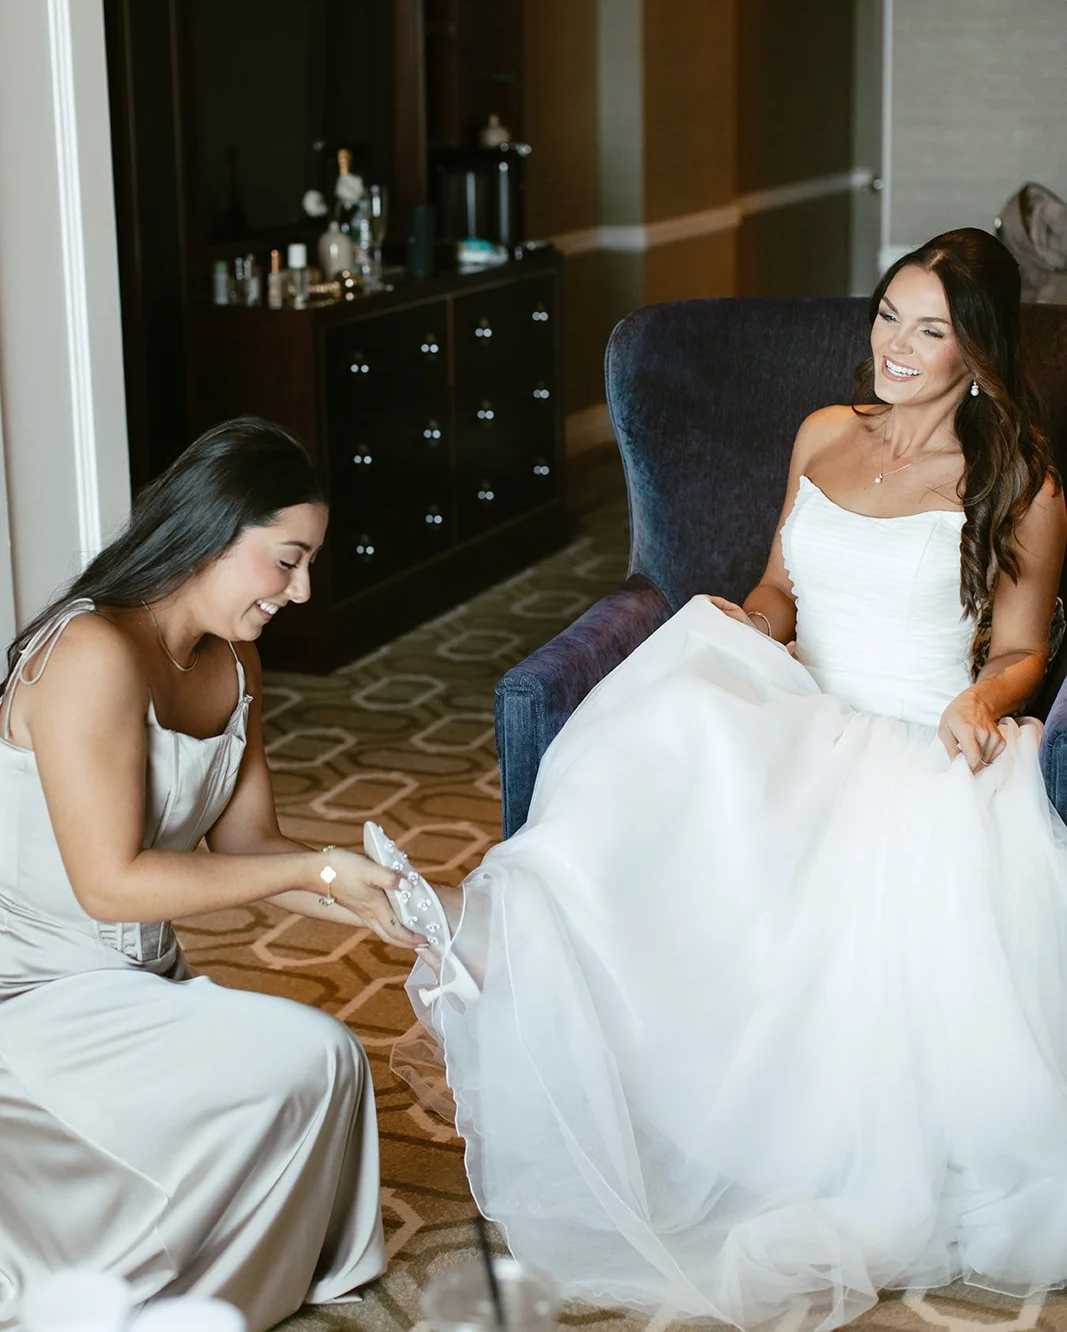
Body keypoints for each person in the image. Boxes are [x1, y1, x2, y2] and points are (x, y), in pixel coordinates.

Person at [383, 229, 1067, 1331]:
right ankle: (515, 942)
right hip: (800, 701)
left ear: (975, 351)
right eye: (887, 314)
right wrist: (743, 624)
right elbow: (777, 587)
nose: (893, 344)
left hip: (914, 737)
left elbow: (1023, 648)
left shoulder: (1019, 480)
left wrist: (981, 704)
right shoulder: (824, 432)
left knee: (842, 907)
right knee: (661, 739)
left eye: (928, 329)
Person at [0, 417, 419, 1332]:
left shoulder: (234, 658)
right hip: (29, 994)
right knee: (314, 1053)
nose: (301, 591)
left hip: (136, 978)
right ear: (208, 535)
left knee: (314, 1066)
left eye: (309, 565)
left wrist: (375, 901)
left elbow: (246, 847)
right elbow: (109, 886)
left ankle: (208, 1284)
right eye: (287, 561)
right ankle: (163, 1293)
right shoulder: (91, 652)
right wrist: (318, 869)